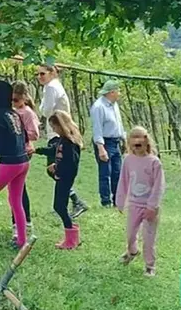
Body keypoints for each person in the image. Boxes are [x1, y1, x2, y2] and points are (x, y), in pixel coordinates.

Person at [0, 81, 30, 249]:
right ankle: (22, 239)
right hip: (23, 161)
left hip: (9, 163)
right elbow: (25, 138)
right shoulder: (15, 114)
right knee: (16, 200)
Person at [35, 64, 88, 218]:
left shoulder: (51, 87)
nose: (39, 77)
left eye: (42, 74)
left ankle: (74, 200)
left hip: (57, 133)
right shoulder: (53, 86)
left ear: (52, 73)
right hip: (59, 131)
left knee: (56, 169)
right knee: (55, 170)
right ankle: (62, 202)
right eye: (37, 74)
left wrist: (41, 106)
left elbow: (46, 110)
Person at [115, 126, 165, 276]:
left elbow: (159, 185)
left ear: (146, 140)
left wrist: (152, 206)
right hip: (134, 204)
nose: (137, 141)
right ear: (129, 142)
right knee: (130, 233)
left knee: (148, 237)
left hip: (150, 207)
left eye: (140, 137)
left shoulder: (154, 162)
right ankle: (132, 251)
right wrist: (120, 200)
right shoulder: (128, 160)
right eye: (133, 137)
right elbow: (123, 181)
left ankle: (150, 265)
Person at [47, 111, 83, 250]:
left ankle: (71, 240)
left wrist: (57, 169)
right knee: (59, 206)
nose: (54, 130)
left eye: (54, 127)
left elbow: (71, 163)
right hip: (62, 177)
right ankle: (72, 236)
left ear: (61, 125)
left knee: (59, 206)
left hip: (65, 178)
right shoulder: (62, 140)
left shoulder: (69, 142)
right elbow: (53, 151)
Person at [11, 81, 40, 242]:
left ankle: (23, 224)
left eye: (16, 100)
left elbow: (35, 134)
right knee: (17, 191)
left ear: (23, 98)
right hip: (13, 151)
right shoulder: (12, 112)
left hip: (22, 151)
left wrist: (18, 134)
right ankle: (21, 223)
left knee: (18, 191)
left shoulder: (27, 113)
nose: (13, 103)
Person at [90, 79, 126, 207]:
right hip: (105, 142)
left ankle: (117, 200)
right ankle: (105, 201)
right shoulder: (99, 107)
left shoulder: (114, 105)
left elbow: (119, 124)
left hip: (115, 141)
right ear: (112, 92)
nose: (119, 93)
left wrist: (124, 139)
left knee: (117, 172)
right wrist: (101, 148)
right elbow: (97, 129)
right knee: (105, 172)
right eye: (118, 90)